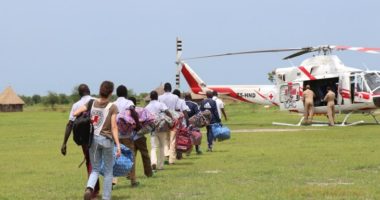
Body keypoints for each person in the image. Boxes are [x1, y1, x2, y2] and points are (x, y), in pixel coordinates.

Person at [74, 81, 121, 200]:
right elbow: (114, 127)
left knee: (95, 168)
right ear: (111, 92)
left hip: (93, 140)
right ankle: (106, 197)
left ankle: (89, 188)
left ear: (100, 90)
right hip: (107, 140)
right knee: (108, 171)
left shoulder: (91, 103)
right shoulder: (113, 107)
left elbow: (76, 113)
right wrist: (118, 145)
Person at [60, 84, 100, 199]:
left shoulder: (76, 105)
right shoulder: (97, 101)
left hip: (84, 139)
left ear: (79, 94)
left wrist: (64, 143)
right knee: (98, 162)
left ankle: (93, 189)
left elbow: (70, 124)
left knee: (90, 162)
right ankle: (93, 189)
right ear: (89, 91)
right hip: (98, 136)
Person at [113, 85, 140, 187]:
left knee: (115, 157)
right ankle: (133, 181)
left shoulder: (113, 104)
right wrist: (137, 124)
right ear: (126, 93)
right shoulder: (129, 103)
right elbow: (134, 113)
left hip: (115, 135)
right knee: (131, 156)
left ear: (117, 93)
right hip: (127, 135)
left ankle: (113, 180)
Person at [145, 91, 171, 171]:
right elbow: (167, 111)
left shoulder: (147, 107)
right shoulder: (161, 104)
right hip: (162, 128)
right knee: (162, 146)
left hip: (153, 129)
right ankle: (160, 166)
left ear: (150, 97)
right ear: (157, 97)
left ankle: (153, 162)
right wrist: (171, 118)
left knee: (153, 147)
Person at [129, 96, 154, 178]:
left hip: (129, 136)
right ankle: (149, 173)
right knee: (145, 155)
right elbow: (150, 119)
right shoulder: (142, 110)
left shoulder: (125, 112)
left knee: (131, 156)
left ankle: (130, 174)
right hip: (140, 135)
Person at [158, 82, 180, 165]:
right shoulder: (175, 97)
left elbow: (160, 109)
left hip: (164, 120)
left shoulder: (160, 97)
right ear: (171, 89)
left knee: (165, 139)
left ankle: (166, 154)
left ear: (164, 89)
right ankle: (171, 160)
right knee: (173, 140)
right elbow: (177, 108)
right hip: (173, 119)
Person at [172, 89, 190, 159]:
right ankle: (179, 155)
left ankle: (173, 154)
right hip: (181, 123)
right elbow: (185, 112)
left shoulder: (171, 101)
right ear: (179, 95)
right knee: (180, 139)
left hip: (173, 122)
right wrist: (188, 121)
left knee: (173, 139)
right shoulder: (182, 101)